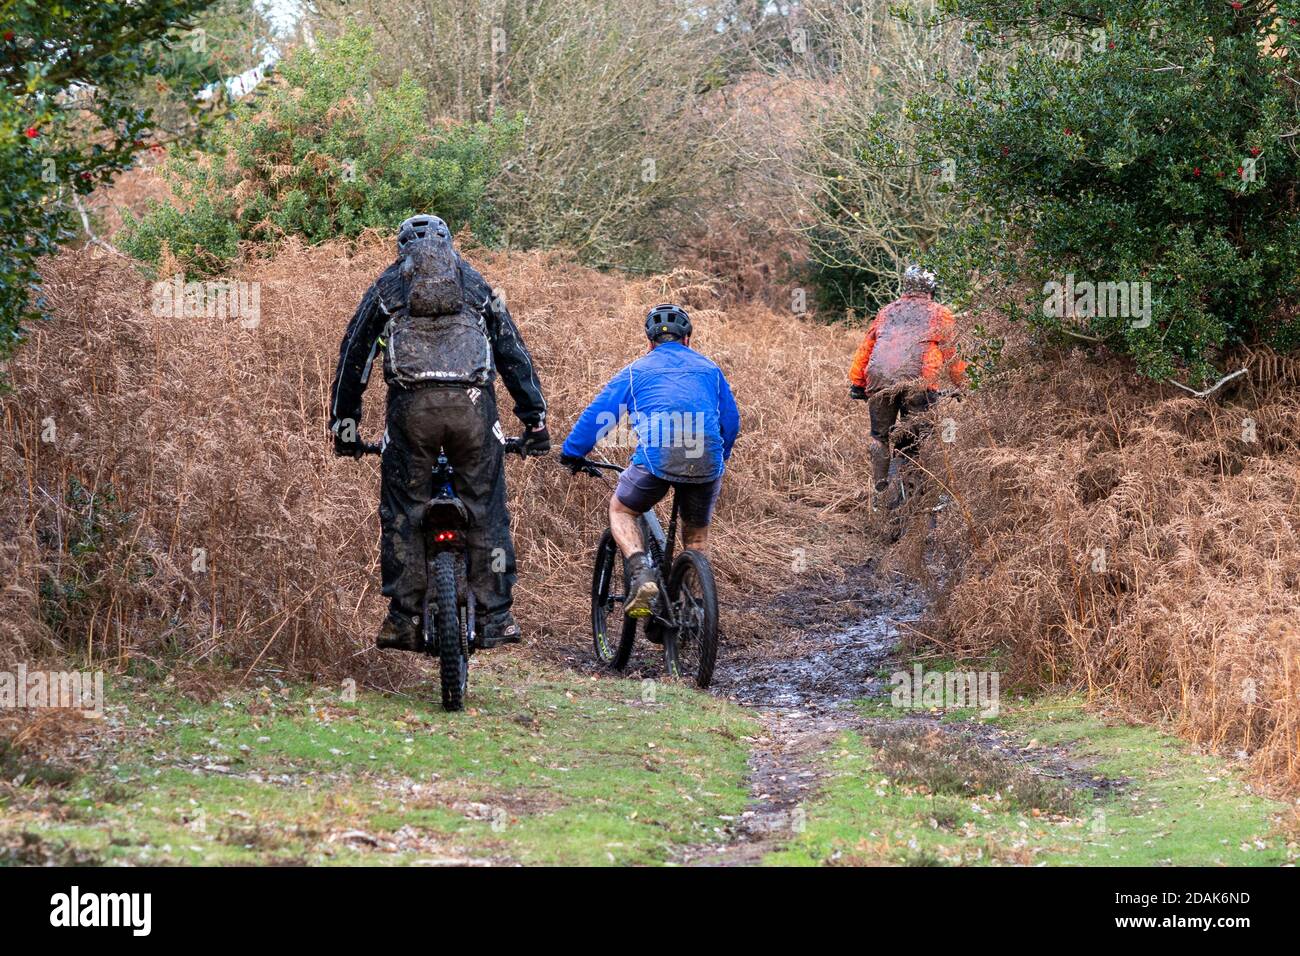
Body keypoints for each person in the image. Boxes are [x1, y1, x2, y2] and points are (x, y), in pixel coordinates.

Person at [329, 214, 549, 651]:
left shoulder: (387, 288)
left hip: (411, 413)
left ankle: (402, 618)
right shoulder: (476, 284)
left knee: (403, 510)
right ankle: (497, 618)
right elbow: (512, 354)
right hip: (473, 409)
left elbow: (354, 360)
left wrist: (346, 430)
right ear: (451, 242)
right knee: (486, 509)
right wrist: (534, 420)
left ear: (400, 248)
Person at [559, 304, 740, 616]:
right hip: (705, 457)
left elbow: (598, 417)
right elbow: (731, 421)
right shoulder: (710, 370)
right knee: (695, 538)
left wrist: (573, 452)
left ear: (650, 342)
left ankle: (641, 571)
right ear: (688, 340)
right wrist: (719, 458)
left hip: (657, 459)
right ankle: (692, 609)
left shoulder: (635, 371)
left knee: (622, 510)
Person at [848, 266, 966, 497]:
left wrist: (857, 383)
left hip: (879, 378)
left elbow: (867, 348)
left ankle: (880, 491)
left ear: (906, 287)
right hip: (920, 381)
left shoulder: (887, 311)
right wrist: (961, 384)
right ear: (932, 288)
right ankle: (914, 494)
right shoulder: (940, 313)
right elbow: (952, 353)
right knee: (918, 441)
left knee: (879, 437)